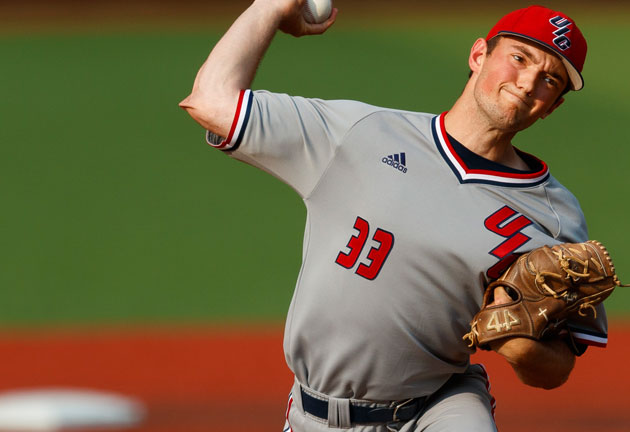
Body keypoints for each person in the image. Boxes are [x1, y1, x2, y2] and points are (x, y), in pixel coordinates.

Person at [180, 2, 607, 431]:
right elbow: (211, 101)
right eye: (519, 58)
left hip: (439, 407)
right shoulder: (361, 133)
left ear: (552, 106)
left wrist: (522, 348)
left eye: (550, 79)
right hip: (316, 414)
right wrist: (269, 8)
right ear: (479, 56)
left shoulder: (555, 216)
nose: (528, 82)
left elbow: (557, 369)